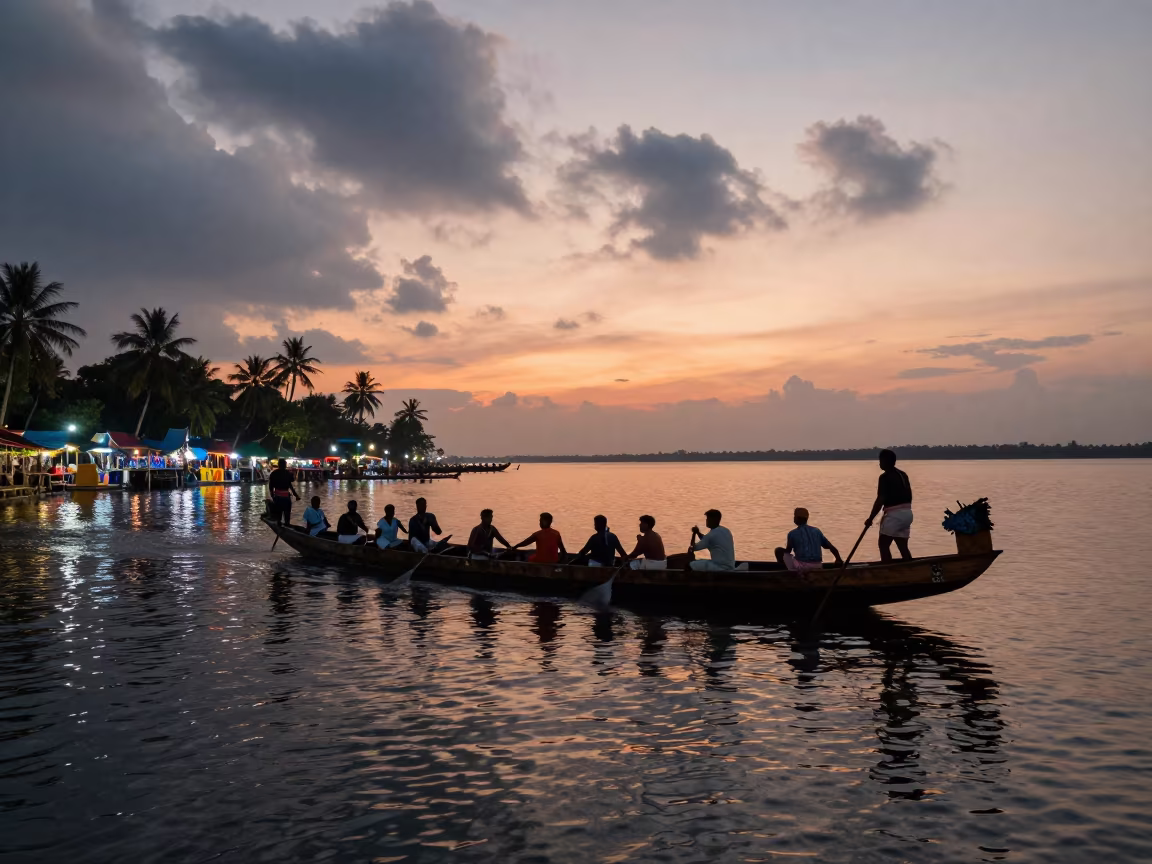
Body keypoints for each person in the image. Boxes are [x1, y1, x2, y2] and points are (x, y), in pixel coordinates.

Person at [866, 449, 913, 562]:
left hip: (894, 515)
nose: (879, 463)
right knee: (902, 545)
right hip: (907, 514)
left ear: (886, 461)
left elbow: (880, 499)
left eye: (880, 460)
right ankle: (910, 568)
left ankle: (886, 569)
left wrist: (870, 518)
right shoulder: (903, 475)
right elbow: (909, 496)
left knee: (883, 544)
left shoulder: (884, 477)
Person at [775, 507, 841, 574]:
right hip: (818, 565)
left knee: (778, 551)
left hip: (802, 567)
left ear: (797, 518)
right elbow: (830, 547)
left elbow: (788, 551)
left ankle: (785, 572)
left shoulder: (792, 533)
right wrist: (838, 559)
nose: (794, 518)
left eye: (794, 516)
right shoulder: (817, 531)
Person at [267, 458, 300, 526]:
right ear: (285, 465)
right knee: (287, 516)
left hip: (277, 497)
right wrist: (296, 495)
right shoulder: (288, 473)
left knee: (278, 516)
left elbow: (271, 487)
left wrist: (273, 497)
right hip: (286, 497)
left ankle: (279, 525)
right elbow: (290, 485)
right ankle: (287, 525)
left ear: (278, 465)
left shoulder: (273, 473)